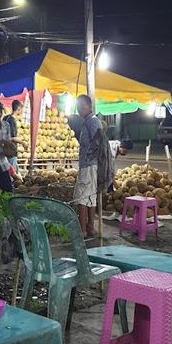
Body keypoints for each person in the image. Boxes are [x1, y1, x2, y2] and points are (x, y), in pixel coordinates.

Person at [73, 94, 103, 237]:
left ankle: (83, 230)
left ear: (89, 106)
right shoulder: (88, 122)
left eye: (81, 107)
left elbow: (98, 143)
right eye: (78, 107)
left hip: (89, 166)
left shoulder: (92, 122)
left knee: (82, 198)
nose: (79, 110)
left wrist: (89, 159)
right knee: (90, 198)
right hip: (90, 165)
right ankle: (90, 228)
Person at [3, 99, 23, 173]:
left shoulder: (5, 117)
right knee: (11, 172)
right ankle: (10, 184)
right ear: (18, 109)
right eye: (21, 109)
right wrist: (23, 142)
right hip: (11, 150)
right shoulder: (12, 121)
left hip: (3, 149)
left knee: (6, 170)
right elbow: (12, 138)